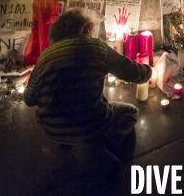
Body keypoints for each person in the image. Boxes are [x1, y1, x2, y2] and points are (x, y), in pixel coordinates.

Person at [24, 10, 151, 158]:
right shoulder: (96, 47)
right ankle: (109, 146)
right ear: (85, 28)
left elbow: (29, 99)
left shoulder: (45, 56)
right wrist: (149, 71)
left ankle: (69, 146)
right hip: (90, 125)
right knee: (130, 112)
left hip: (52, 129)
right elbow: (133, 73)